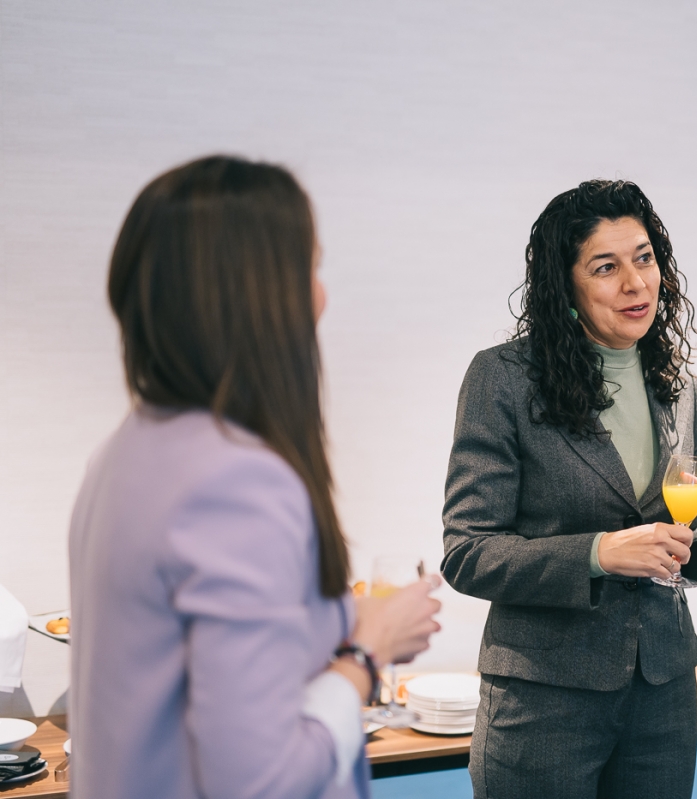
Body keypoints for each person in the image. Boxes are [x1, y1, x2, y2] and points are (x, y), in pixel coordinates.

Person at [68, 156, 442, 799]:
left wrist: (343, 614)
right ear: (258, 292)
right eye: (312, 268)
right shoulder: (238, 482)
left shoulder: (122, 453)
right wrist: (365, 656)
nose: (322, 296)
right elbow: (261, 782)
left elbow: (198, 641)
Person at [441, 180, 697, 799]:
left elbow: (672, 546)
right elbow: (466, 552)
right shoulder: (502, 380)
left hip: (663, 692)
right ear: (567, 286)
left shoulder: (677, 384)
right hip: (544, 699)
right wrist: (597, 553)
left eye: (643, 258)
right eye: (606, 267)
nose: (636, 283)